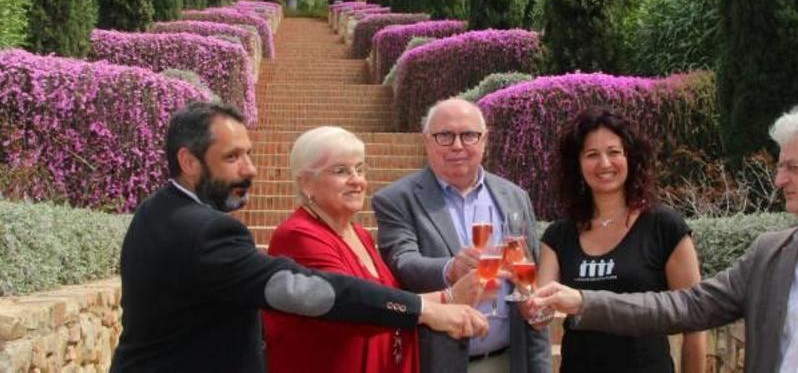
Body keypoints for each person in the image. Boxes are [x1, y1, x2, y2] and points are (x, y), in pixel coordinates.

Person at [110, 102, 488, 372]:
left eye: (249, 154)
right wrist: (428, 309)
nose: (251, 169)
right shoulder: (207, 230)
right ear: (189, 162)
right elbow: (308, 290)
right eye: (232, 158)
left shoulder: (157, 210)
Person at [532, 104, 798, 373]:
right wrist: (583, 302)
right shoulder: (769, 254)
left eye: (792, 167)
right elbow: (686, 306)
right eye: (780, 167)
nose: (778, 179)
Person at [263, 126, 485, 373]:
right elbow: (353, 304)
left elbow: (383, 299)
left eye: (359, 169)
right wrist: (446, 300)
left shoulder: (360, 234)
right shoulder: (298, 235)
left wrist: (451, 297)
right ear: (306, 183)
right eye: (341, 171)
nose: (357, 180)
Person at [373, 98, 552, 373]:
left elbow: (530, 285)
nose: (457, 145)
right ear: (427, 141)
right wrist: (451, 269)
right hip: (438, 363)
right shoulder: (397, 199)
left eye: (468, 135)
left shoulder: (514, 196)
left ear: (485, 140)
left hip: (509, 361)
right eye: (444, 135)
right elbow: (402, 260)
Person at [533, 108, 706, 373]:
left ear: (631, 158)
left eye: (614, 152)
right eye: (592, 154)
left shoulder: (663, 226)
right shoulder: (558, 236)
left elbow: (694, 319)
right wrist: (527, 301)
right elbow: (539, 315)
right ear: (577, 165)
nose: (604, 163)